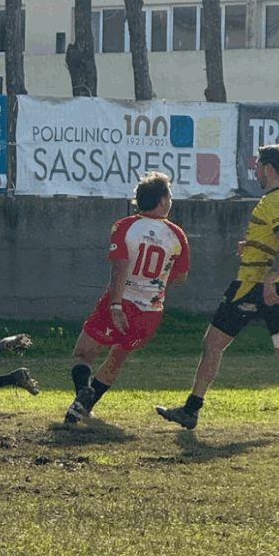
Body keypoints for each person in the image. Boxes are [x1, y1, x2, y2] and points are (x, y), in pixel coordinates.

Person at [157, 143, 279, 430]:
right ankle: (190, 410)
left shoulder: (273, 201)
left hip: (253, 284)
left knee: (212, 343)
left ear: (268, 168)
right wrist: (257, 245)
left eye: (257, 166)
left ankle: (191, 411)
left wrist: (267, 279)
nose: (255, 170)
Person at [65, 171, 190, 424]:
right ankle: (84, 407)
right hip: (151, 313)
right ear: (163, 200)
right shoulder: (177, 235)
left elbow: (119, 267)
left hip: (122, 303)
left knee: (83, 354)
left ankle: (82, 393)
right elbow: (180, 277)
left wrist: (115, 304)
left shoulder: (124, 226)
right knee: (117, 358)